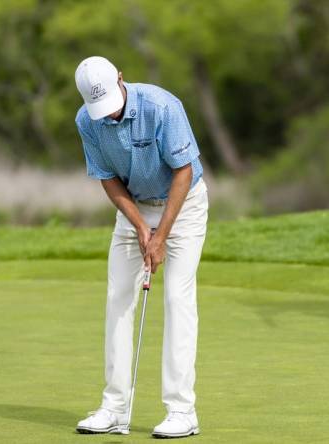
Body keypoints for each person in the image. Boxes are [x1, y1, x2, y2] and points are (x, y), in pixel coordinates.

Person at [73, 56, 207, 438]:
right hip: (134, 207)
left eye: (112, 106)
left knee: (177, 300)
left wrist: (161, 235)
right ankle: (114, 407)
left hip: (183, 207)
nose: (109, 117)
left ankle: (183, 412)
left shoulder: (162, 106)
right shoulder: (88, 120)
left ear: (120, 77)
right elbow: (108, 177)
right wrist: (139, 226)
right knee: (118, 298)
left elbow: (184, 170)